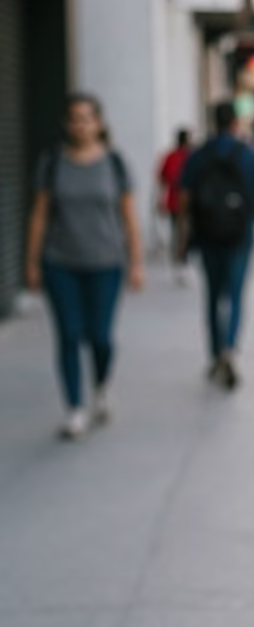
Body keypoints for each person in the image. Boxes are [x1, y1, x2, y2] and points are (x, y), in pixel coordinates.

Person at [24, 94, 144, 439]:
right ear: (67, 124)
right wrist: (32, 263)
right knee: (69, 335)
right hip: (60, 263)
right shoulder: (53, 163)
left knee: (101, 337)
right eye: (74, 118)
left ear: (99, 123)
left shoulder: (115, 163)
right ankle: (75, 409)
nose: (81, 124)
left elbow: (128, 217)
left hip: (106, 263)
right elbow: (40, 216)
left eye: (87, 118)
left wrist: (136, 263)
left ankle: (102, 386)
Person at [179, 102, 254, 389]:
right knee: (234, 295)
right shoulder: (249, 155)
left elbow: (185, 200)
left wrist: (183, 239)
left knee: (212, 296)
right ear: (235, 122)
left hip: (207, 235)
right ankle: (230, 350)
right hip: (239, 235)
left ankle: (214, 354)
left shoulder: (198, 155)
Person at [158, 127, 193, 282]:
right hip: (186, 202)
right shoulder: (191, 156)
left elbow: (162, 179)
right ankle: (182, 261)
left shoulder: (171, 156)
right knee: (183, 232)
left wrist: (160, 199)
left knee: (178, 232)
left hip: (175, 201)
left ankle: (180, 260)